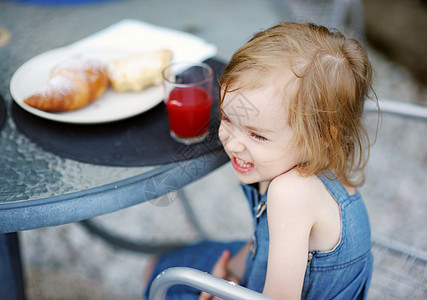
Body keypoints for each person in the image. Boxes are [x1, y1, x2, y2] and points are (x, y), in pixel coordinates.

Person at [144, 22, 376, 300]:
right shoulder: (313, 160)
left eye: (258, 135)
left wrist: (227, 293)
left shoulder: (291, 193)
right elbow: (263, 243)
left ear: (322, 136)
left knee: (158, 280)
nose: (232, 142)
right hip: (259, 270)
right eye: (228, 118)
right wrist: (230, 272)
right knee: (159, 267)